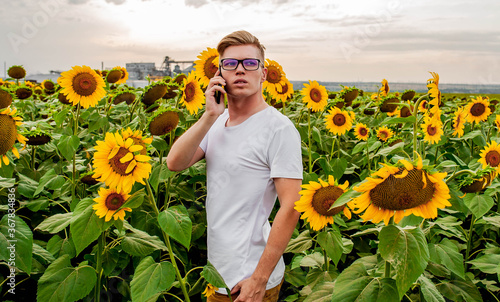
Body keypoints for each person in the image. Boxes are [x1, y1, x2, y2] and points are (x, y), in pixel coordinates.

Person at [166, 30, 303, 302]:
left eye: (250, 63)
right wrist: (209, 115)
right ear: (219, 74)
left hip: (249, 279)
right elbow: (175, 163)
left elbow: (291, 206)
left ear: (263, 74)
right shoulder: (217, 122)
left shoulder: (278, 129)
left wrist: (259, 279)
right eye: (230, 64)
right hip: (217, 275)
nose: (240, 70)